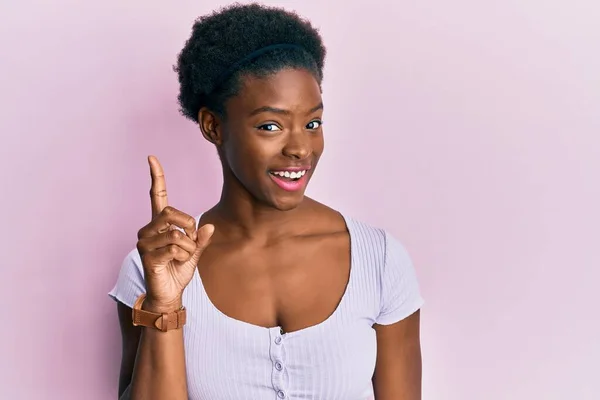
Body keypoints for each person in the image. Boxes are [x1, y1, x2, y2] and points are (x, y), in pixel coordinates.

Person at [109, 3, 424, 399]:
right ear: (213, 126)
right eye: (270, 125)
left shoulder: (379, 261)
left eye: (312, 123)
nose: (300, 149)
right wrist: (165, 303)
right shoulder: (154, 266)